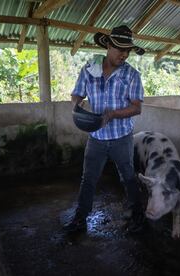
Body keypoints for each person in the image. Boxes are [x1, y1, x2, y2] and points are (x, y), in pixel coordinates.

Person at [65, 25, 146, 233]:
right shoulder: (89, 69)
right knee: (89, 178)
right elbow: (76, 94)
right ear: (108, 46)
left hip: (122, 137)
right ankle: (80, 217)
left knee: (128, 176)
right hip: (96, 137)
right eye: (120, 49)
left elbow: (137, 108)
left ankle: (137, 213)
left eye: (127, 50)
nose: (124, 54)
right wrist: (77, 105)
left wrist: (112, 114)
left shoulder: (131, 75)